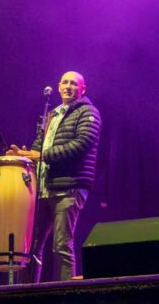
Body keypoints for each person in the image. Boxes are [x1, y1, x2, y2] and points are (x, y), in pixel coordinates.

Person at [8, 71, 101, 281]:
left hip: (69, 187)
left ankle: (64, 296)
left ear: (82, 89)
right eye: (65, 82)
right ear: (58, 86)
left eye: (73, 84)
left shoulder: (88, 112)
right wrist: (24, 156)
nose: (68, 86)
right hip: (44, 187)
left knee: (61, 245)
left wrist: (40, 155)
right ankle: (27, 297)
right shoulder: (53, 114)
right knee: (31, 246)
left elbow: (80, 146)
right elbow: (39, 146)